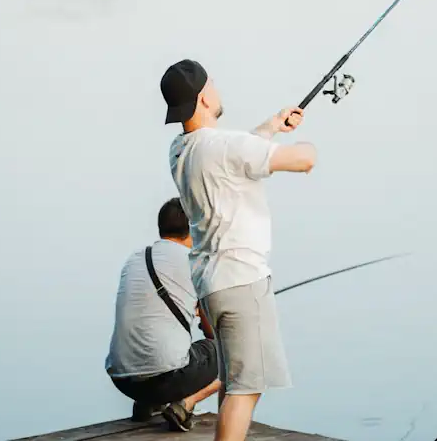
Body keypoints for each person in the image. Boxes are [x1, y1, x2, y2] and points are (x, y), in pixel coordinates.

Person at [159, 59, 317, 441]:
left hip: (212, 284)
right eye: (211, 83)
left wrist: (270, 128)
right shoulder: (224, 146)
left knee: (232, 383)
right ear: (202, 97)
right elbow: (303, 159)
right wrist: (307, 145)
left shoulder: (181, 151)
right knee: (247, 387)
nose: (217, 87)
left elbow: (231, 160)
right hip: (243, 281)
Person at [105, 198, 222, 432]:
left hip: (122, 380)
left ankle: (147, 404)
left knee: (157, 343)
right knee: (230, 350)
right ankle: (184, 406)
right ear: (194, 227)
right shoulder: (197, 264)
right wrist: (203, 312)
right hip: (164, 380)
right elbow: (213, 333)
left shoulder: (135, 259)